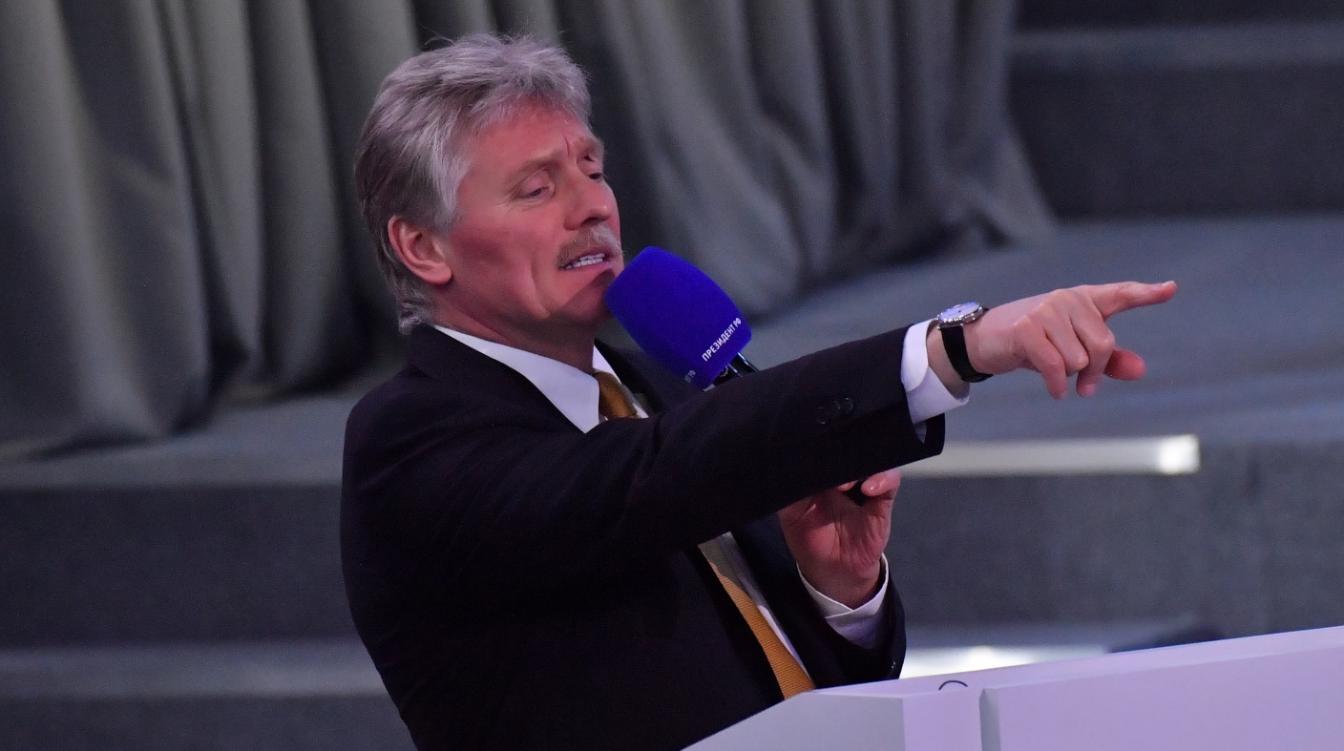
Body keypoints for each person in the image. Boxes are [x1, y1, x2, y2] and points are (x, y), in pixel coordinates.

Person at [341, 34, 1177, 750]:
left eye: (593, 169)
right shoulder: (407, 441)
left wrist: (838, 594)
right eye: (537, 188)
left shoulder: (660, 384)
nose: (592, 205)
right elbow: (641, 480)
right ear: (424, 247)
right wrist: (959, 348)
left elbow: (807, 686)